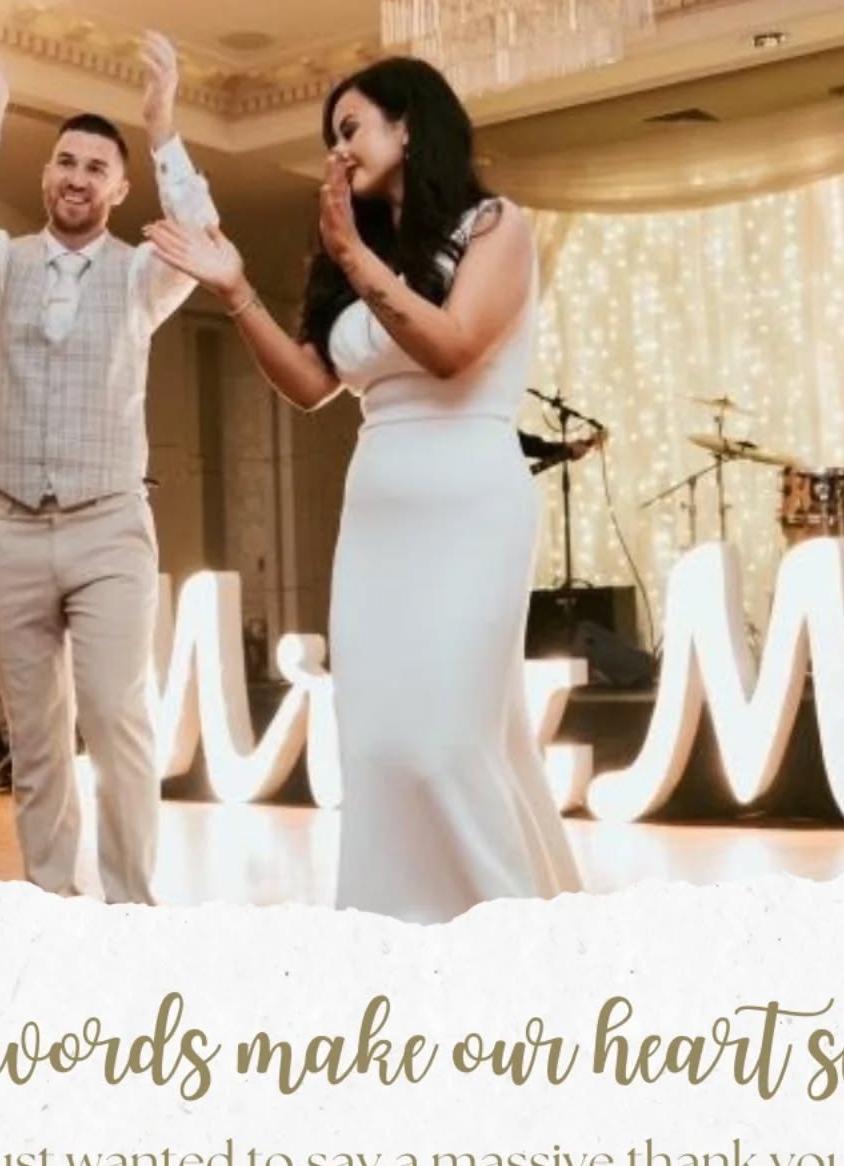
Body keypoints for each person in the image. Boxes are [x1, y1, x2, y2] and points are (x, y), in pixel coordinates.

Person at [146, 56, 580, 924]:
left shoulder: (495, 227)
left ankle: (519, 945)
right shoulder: (356, 261)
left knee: (448, 746)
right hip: (379, 512)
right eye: (330, 141)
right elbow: (311, 385)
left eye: (350, 130)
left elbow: (455, 348)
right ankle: (403, 939)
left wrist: (350, 250)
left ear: (408, 126)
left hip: (470, 499)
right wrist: (235, 290)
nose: (337, 153)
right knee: (379, 744)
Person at [0, 25, 217, 903]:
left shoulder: (142, 278)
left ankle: (133, 908)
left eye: (96, 166)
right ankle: (52, 903)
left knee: (117, 719)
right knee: (39, 739)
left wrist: (163, 125)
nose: (77, 177)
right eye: (65, 162)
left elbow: (200, 236)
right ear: (46, 174)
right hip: (9, 528)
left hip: (108, 528)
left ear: (120, 189)